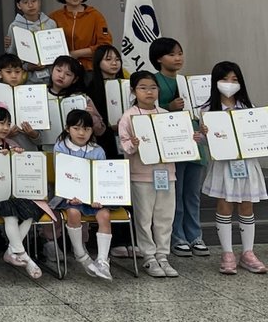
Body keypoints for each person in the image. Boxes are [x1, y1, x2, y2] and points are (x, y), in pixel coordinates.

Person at [197, 61, 267, 275]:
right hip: (223, 165)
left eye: (234, 79)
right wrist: (202, 136)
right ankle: (227, 253)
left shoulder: (248, 107)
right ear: (215, 82)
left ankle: (248, 252)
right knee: (224, 205)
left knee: (247, 206)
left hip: (247, 163)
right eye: (225, 79)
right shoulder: (207, 110)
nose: (229, 83)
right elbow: (208, 143)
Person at [0, 106, 48, 279]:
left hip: (14, 193)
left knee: (32, 210)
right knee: (11, 214)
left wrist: (19, 156)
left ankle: (12, 251)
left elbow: (23, 171)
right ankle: (23, 255)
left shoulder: (13, 144)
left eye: (8, 123)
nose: (6, 127)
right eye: (1, 123)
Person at [148, 37, 208, 259]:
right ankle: (177, 237)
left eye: (180, 53)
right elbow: (149, 110)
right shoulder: (153, 80)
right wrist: (169, 107)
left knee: (192, 194)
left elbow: (201, 109)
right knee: (175, 193)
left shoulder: (187, 82)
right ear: (158, 58)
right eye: (172, 54)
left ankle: (195, 235)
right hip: (172, 143)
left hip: (195, 141)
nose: (178, 58)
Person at [118, 72, 180, 277]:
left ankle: (163, 255)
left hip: (167, 174)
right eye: (143, 88)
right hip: (141, 175)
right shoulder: (128, 116)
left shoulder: (166, 115)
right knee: (144, 217)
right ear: (133, 91)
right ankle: (149, 257)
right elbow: (124, 146)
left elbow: (177, 141)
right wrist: (134, 144)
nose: (149, 92)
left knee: (165, 216)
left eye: (153, 87)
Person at [50, 108, 113, 280]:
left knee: (105, 215)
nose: (81, 133)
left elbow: (101, 177)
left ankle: (103, 261)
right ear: (67, 128)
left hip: (93, 197)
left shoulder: (97, 150)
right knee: (73, 212)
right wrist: (72, 195)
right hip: (68, 195)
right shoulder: (61, 147)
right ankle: (81, 254)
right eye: (76, 128)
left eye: (86, 129)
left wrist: (96, 197)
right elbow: (61, 174)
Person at [48, 0, 111, 71]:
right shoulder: (54, 17)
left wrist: (76, 54)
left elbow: (105, 45)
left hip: (89, 69)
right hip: (62, 69)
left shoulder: (95, 16)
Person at [46, 56, 107, 148]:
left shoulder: (82, 99)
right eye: (58, 70)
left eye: (68, 74)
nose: (61, 76)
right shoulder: (40, 94)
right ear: (52, 70)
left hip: (79, 149)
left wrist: (92, 117)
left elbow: (100, 131)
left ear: (75, 79)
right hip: (48, 146)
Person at [3, 0, 57, 84]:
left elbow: (57, 50)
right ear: (19, 5)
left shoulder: (50, 23)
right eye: (25, 2)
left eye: (34, 1)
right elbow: (11, 55)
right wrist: (27, 66)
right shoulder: (15, 27)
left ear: (39, 2)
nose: (30, 5)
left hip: (51, 76)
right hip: (27, 79)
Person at [0, 53, 39, 152]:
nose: (14, 76)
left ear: (23, 73)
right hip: (3, 152)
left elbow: (41, 137)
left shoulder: (33, 96)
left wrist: (33, 134)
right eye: (8, 72)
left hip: (29, 150)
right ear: (0, 74)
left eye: (17, 72)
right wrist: (5, 134)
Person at [91, 43, 124, 157]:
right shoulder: (91, 88)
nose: (114, 63)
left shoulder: (127, 84)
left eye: (117, 59)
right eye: (108, 59)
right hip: (103, 138)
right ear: (98, 62)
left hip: (126, 134)